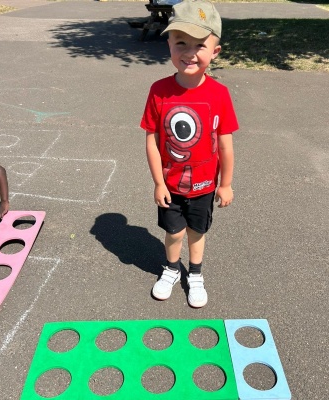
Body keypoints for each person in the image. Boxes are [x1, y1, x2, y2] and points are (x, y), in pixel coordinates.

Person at [140, 0, 239, 308]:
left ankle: (195, 274)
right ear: (169, 45)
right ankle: (171, 269)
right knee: (174, 232)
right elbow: (152, 140)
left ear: (215, 51)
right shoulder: (159, 90)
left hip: (204, 186)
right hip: (170, 184)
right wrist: (158, 182)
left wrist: (225, 184)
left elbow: (225, 144)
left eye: (200, 45)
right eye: (181, 42)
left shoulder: (219, 94)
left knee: (196, 232)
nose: (189, 52)